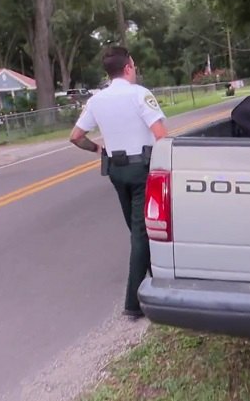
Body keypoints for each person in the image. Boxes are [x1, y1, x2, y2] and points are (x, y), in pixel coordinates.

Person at [69, 46, 168, 319]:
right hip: (141, 170)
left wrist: (97, 149)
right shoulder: (140, 95)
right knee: (142, 233)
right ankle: (133, 304)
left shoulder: (96, 100)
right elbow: (161, 134)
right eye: (134, 67)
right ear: (127, 68)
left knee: (136, 230)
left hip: (115, 170)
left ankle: (154, 281)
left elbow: (76, 136)